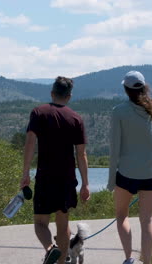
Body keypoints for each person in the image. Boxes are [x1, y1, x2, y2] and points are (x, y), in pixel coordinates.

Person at [20, 76, 90, 264]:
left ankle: (51, 248)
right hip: (67, 179)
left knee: (40, 223)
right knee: (63, 224)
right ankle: (61, 261)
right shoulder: (76, 118)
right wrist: (85, 184)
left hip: (45, 177)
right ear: (69, 96)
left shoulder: (38, 113)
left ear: (52, 93)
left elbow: (29, 143)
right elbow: (81, 155)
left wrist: (25, 173)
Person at [108, 71, 152, 264]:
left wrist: (110, 181)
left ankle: (128, 258)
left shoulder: (119, 111)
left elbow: (114, 148)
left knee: (121, 215)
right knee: (147, 221)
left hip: (125, 174)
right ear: (144, 87)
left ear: (125, 89)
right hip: (151, 173)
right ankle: (147, 262)